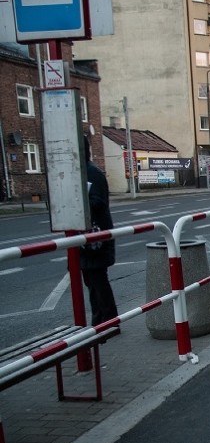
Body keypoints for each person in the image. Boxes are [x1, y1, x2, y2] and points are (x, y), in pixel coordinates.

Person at [81, 136, 118, 328]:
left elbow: (98, 202)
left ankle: (109, 321)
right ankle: (100, 320)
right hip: (89, 239)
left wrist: (78, 202)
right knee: (92, 282)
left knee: (98, 281)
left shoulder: (91, 173)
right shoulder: (84, 171)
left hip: (97, 239)